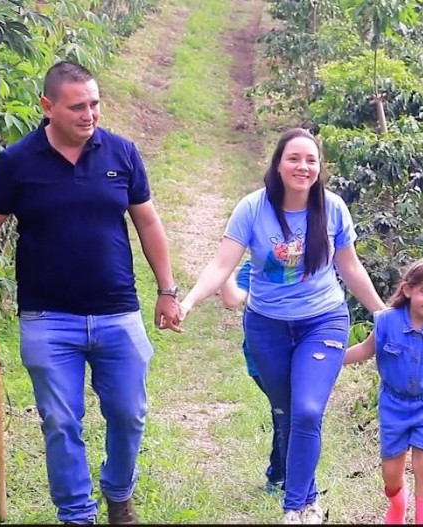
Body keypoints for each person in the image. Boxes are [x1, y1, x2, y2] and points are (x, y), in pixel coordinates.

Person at [0, 60, 182, 525]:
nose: (90, 114)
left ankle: (118, 494)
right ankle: (76, 515)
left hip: (117, 313)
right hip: (47, 318)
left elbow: (147, 221)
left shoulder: (121, 153)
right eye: (78, 106)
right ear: (48, 107)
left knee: (129, 415)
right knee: (61, 423)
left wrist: (167, 290)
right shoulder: (17, 162)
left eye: (95, 104)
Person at [177, 127, 386, 524]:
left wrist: (381, 312)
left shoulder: (333, 208)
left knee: (307, 411)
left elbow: (349, 266)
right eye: (294, 158)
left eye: (311, 160)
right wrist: (188, 301)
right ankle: (308, 501)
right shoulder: (253, 209)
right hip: (266, 326)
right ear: (278, 164)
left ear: (320, 167)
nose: (302, 167)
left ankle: (293, 510)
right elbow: (223, 264)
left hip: (322, 321)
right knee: (287, 412)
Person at [343, 258, 423, 525]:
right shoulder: (387, 321)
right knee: (391, 474)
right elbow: (366, 350)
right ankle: (397, 506)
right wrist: (333, 359)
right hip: (393, 404)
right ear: (408, 290)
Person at [217, 258, 285, 493]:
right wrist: (223, 265)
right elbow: (232, 299)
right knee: (286, 412)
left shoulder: (309, 263)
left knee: (293, 413)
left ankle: (281, 476)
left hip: (299, 352)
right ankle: (280, 477)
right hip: (263, 356)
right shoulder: (255, 265)